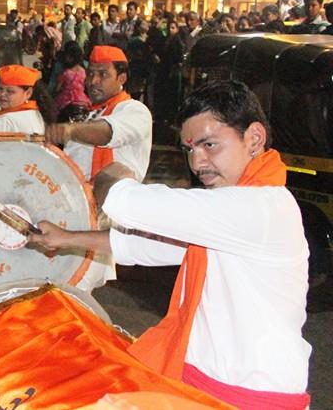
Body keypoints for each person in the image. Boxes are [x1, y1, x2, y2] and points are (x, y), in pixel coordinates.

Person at [29, 81, 311, 408]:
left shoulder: (262, 206)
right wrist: (65, 239)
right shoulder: (229, 214)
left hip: (251, 396)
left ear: (254, 138)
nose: (197, 162)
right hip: (203, 381)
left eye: (209, 145)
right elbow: (150, 246)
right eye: (190, 149)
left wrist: (113, 175)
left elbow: (132, 203)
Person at [46, 45, 153, 183]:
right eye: (90, 73)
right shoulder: (89, 115)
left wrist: (70, 130)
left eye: (103, 74)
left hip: (115, 201)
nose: (93, 81)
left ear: (121, 78)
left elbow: (108, 132)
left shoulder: (136, 110)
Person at [54, 43, 91, 122]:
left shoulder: (65, 73)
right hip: (83, 99)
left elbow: (57, 89)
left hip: (66, 100)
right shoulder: (83, 71)